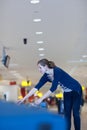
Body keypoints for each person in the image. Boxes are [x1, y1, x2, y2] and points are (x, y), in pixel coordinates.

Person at [18, 58, 82, 130]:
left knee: (75, 113)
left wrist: (41, 99)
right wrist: (23, 99)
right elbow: (36, 87)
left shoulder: (57, 71)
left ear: (45, 66)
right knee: (67, 114)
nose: (39, 70)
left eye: (40, 67)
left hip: (76, 89)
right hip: (67, 93)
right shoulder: (46, 76)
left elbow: (53, 88)